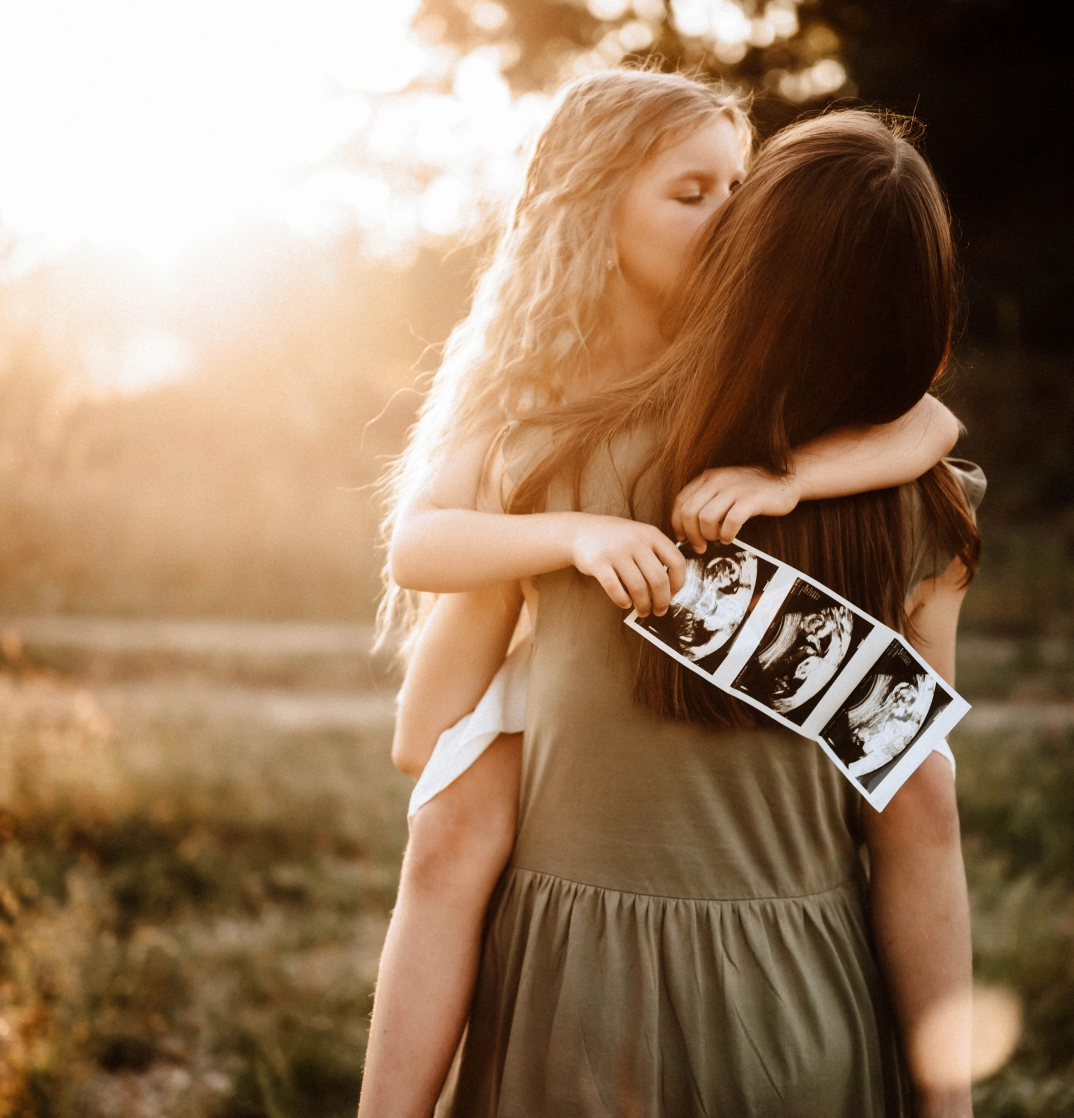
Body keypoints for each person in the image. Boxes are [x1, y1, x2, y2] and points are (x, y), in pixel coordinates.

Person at [360, 70, 964, 1117]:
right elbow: (418, 543)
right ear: (594, 217)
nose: (733, 217)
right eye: (694, 194)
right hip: (535, 617)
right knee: (445, 799)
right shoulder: (525, 376)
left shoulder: (740, 362)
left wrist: (794, 477)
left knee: (918, 775)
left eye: (740, 186)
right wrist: (574, 531)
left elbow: (931, 425)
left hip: (605, 624)